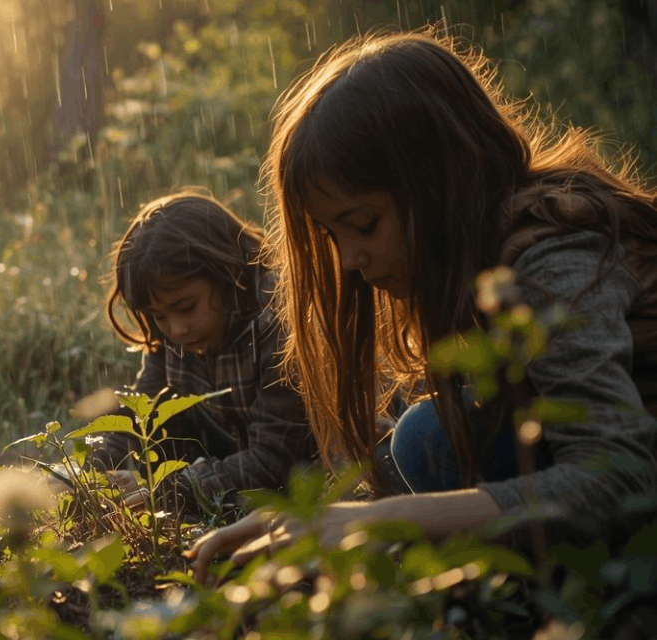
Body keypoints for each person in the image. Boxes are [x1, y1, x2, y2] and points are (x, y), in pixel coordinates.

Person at [189, 31, 657, 580]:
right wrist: (319, 521)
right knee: (421, 442)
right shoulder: (472, 259)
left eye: (364, 225)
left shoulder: (553, 256)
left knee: (425, 439)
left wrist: (383, 521)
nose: (347, 261)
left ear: (443, 181)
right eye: (332, 234)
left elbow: (621, 476)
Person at [88, 191, 314, 518]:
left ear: (227, 273)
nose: (177, 330)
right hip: (229, 456)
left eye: (186, 307)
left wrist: (173, 490)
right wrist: (94, 475)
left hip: (302, 467)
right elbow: (141, 414)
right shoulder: (172, 334)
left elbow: (274, 458)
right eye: (159, 316)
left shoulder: (277, 321)